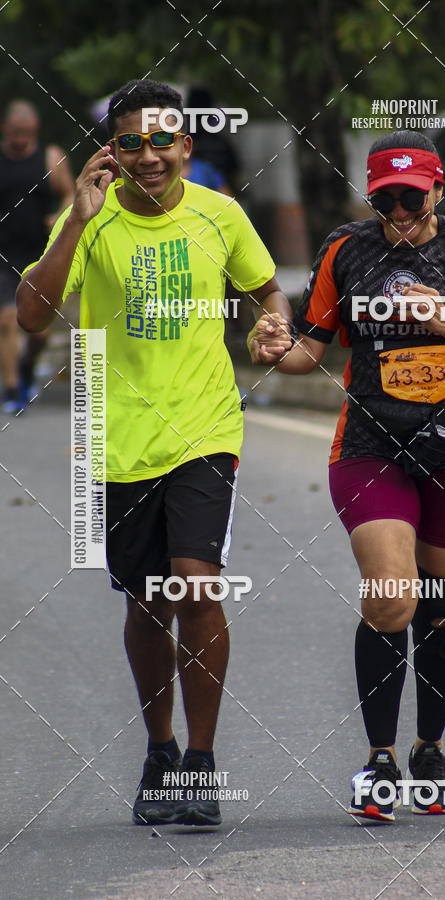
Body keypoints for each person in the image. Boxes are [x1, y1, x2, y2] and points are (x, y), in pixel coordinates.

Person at [17, 79, 290, 827]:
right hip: (116, 439)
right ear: (112, 150)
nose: (148, 156)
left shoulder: (220, 214)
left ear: (185, 146)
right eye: (131, 143)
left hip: (206, 429)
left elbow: (269, 290)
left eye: (162, 141)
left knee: (196, 587)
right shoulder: (91, 220)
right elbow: (33, 316)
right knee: (147, 603)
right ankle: (159, 750)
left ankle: (200, 763)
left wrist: (272, 325)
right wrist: (77, 220)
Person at [248, 131, 445, 822]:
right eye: (384, 199)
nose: (398, 212)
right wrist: (274, 348)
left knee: (442, 604)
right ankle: (380, 760)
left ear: (438, 190)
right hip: (372, 445)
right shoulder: (346, 248)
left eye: (411, 198)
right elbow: (310, 349)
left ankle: (430, 748)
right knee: (393, 596)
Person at [0, 100, 75, 413]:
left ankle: (27, 368)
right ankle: (12, 390)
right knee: (7, 320)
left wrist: (58, 215)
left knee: (39, 332)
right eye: (15, 133)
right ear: (5, 128)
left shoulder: (51, 157)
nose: (20, 139)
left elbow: (70, 193)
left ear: (35, 130)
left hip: (39, 255)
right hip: (4, 254)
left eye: (26, 133)